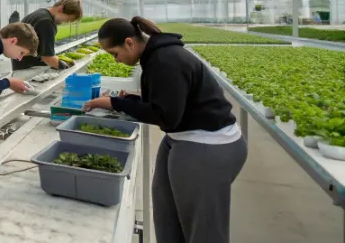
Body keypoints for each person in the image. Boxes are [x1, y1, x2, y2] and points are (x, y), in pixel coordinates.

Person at [82, 17, 247, 243]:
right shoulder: (156, 57)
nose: (116, 61)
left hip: (208, 145)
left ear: (129, 43)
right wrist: (132, 99)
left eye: (114, 54)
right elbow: (172, 100)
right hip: (181, 139)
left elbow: (166, 116)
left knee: (204, 230)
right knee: (167, 217)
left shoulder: (165, 60)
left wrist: (114, 103)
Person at [11, 0, 82, 71]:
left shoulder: (41, 13)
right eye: (67, 20)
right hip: (29, 69)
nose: (65, 23)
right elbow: (47, 58)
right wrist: (67, 69)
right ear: (60, 9)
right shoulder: (46, 22)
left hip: (20, 66)